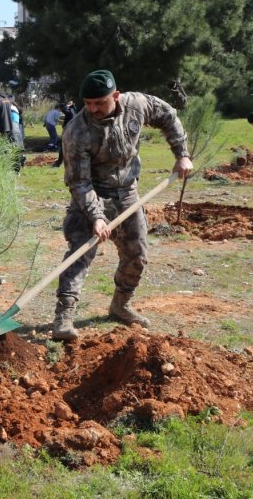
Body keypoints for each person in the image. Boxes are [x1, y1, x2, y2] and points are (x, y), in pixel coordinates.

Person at [51, 70, 193, 341]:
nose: (92, 109)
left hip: (127, 192)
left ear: (115, 96)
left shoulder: (136, 105)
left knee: (136, 254)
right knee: (80, 253)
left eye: (99, 102)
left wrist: (182, 154)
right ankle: (64, 317)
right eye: (87, 103)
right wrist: (96, 216)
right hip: (93, 194)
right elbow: (79, 182)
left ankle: (120, 305)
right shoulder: (77, 131)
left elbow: (167, 115)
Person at [52, 100, 76, 168]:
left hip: (68, 131)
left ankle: (58, 163)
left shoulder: (69, 112)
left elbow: (64, 110)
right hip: (72, 131)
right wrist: (70, 105)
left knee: (63, 147)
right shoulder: (73, 110)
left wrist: (64, 106)